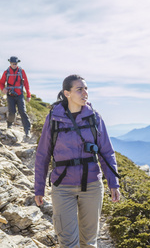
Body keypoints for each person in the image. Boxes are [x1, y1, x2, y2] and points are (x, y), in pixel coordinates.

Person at [35, 74, 120, 248]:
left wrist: (114, 183)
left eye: (86, 89)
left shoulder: (94, 118)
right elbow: (43, 154)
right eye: (79, 89)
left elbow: (107, 152)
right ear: (67, 93)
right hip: (62, 187)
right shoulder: (53, 118)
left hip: (92, 187)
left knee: (88, 242)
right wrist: (39, 188)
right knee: (68, 242)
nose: (85, 93)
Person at [0, 56, 31, 138]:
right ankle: (9, 125)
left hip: (20, 95)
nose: (15, 65)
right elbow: (1, 83)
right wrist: (3, 89)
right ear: (10, 63)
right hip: (10, 95)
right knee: (12, 112)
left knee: (23, 112)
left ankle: (27, 131)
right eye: (13, 63)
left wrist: (28, 95)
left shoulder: (21, 71)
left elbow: (26, 83)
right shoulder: (6, 72)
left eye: (16, 63)